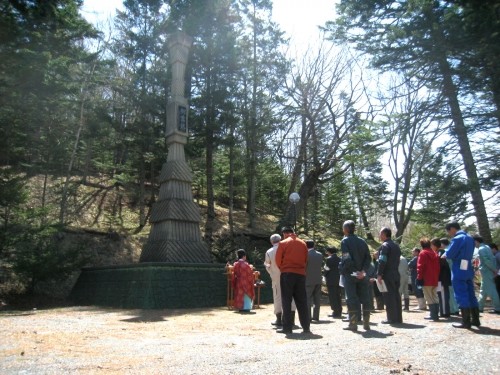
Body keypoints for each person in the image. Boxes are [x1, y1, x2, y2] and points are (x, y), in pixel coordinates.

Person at [443, 222, 480, 328]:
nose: (450, 234)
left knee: (461, 293)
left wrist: (446, 254)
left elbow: (449, 254)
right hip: (468, 267)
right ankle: (476, 320)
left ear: (453, 229)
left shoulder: (457, 238)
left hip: (458, 267)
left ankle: (466, 321)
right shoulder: (469, 238)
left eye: (449, 231)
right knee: (471, 293)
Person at [275, 227, 311, 334]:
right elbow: (306, 259)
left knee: (286, 301)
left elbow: (278, 260)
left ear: (285, 234)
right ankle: (306, 327)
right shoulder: (303, 243)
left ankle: (287, 327)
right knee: (302, 301)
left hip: (287, 273)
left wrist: (283, 268)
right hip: (300, 274)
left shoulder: (283, 243)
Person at [339, 220, 372, 331]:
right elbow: (368, 258)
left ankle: (353, 324)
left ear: (346, 229)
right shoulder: (362, 241)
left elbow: (346, 258)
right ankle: (366, 323)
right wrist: (363, 271)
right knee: (365, 298)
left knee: (351, 299)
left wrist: (355, 271)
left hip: (351, 275)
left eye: (343, 228)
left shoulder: (345, 241)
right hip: (362, 275)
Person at [264, 233, 297, 327]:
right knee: (291, 296)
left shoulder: (269, 251)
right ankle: (292, 320)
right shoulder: (287, 249)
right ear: (281, 239)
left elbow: (267, 265)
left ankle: (279, 320)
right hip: (289, 275)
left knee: (277, 296)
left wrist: (272, 273)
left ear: (271, 241)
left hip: (276, 277)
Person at [377, 227, 403, 324]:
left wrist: (379, 274)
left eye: (380, 234)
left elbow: (382, 260)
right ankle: (398, 318)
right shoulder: (396, 246)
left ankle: (391, 318)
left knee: (389, 296)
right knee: (396, 295)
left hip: (387, 274)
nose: (379, 236)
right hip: (396, 273)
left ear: (384, 234)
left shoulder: (385, 246)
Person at [474, 236, 500, 313]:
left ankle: (498, 307)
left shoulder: (481, 249)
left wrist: (494, 270)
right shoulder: (487, 247)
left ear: (476, 241)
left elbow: (486, 261)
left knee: (492, 290)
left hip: (486, 271)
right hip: (488, 271)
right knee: (483, 290)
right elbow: (492, 259)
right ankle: (479, 306)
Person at [416, 237, 440, 321]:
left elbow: (420, 267)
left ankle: (433, 315)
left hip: (426, 279)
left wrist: (419, 278)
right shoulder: (435, 253)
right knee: (435, 296)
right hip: (434, 278)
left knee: (429, 297)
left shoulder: (423, 253)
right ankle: (436, 314)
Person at [440, 238, 459, 315]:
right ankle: (456, 308)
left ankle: (453, 309)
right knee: (454, 292)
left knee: (450, 292)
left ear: (442, 244)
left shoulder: (446, 252)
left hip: (449, 274)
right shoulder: (453, 250)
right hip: (455, 273)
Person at [305, 240, 323, 322]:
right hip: (318, 279)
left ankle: (308, 317)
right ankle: (316, 317)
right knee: (317, 299)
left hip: (308, 279)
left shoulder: (306, 255)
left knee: (307, 299)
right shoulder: (320, 254)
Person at [433, 238, 451, 318]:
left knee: (443, 295)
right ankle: (443, 311)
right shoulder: (439, 252)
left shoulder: (440, 252)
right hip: (441, 277)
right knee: (441, 294)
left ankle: (444, 312)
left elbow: (441, 264)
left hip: (442, 278)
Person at [324, 247, 342, 318]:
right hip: (339, 279)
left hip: (331, 279)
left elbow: (327, 269)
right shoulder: (340, 259)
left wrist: (324, 274)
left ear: (329, 252)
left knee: (332, 296)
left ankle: (335, 311)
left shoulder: (329, 259)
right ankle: (339, 309)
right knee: (338, 295)